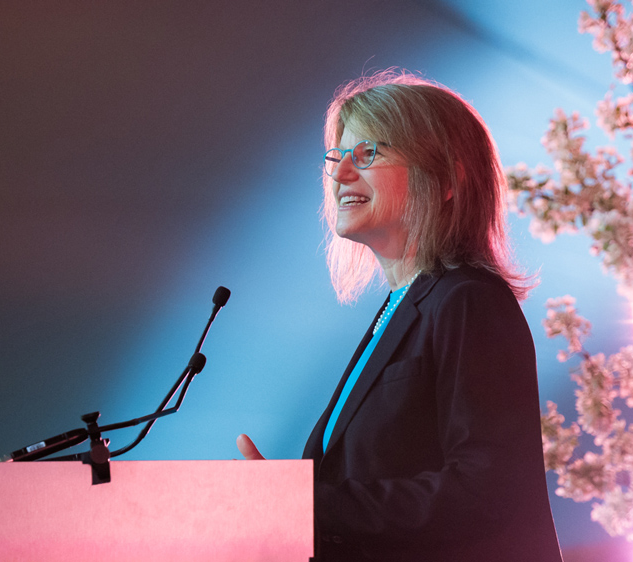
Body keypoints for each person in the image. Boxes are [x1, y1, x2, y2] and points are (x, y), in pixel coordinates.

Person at [238, 70, 563, 562]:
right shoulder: (397, 310)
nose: (341, 174)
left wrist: (304, 502)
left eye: (368, 154)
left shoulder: (468, 301)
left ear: (448, 179)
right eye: (337, 157)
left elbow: (486, 492)